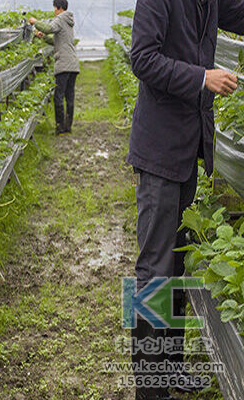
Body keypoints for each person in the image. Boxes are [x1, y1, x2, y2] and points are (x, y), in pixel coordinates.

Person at [129, 0, 244, 399]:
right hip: (159, 150)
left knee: (175, 262)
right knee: (155, 268)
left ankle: (171, 368)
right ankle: (148, 386)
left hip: (189, 149)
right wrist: (202, 78)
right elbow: (142, 58)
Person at [29, 0, 80, 135]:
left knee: (58, 96)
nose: (53, 11)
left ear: (58, 8)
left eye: (54, 8)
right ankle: (68, 127)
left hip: (63, 64)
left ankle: (60, 127)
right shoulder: (68, 20)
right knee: (69, 96)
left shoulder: (60, 18)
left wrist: (35, 22)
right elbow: (57, 40)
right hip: (73, 64)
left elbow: (49, 28)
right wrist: (44, 37)